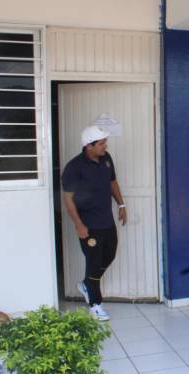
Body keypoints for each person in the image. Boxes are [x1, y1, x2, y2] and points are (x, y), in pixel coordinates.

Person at [61, 125, 127, 321]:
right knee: (94, 262)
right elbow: (68, 199)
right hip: (88, 224)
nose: (105, 145)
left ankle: (87, 284)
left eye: (105, 142)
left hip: (106, 220)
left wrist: (121, 204)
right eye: (101, 143)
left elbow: (112, 182)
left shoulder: (106, 159)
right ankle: (95, 305)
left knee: (110, 255)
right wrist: (78, 224)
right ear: (88, 146)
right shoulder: (74, 167)